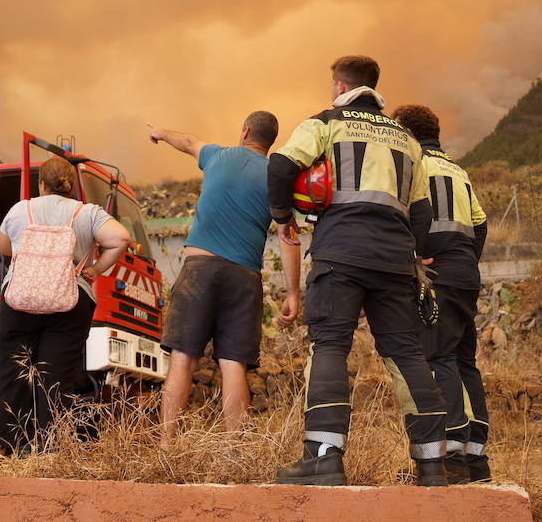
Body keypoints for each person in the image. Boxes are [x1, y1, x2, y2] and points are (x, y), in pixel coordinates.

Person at [267, 55, 449, 487]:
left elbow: (280, 166)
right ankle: (432, 466)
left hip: (341, 254)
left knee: (330, 345)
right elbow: (422, 211)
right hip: (395, 261)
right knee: (406, 353)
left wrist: (282, 216)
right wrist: (415, 253)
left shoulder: (325, 122)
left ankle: (324, 458)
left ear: (338, 86)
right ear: (374, 87)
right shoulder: (408, 140)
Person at [148, 112, 301, 449]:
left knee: (183, 358)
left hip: (199, 270)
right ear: (270, 141)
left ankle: (166, 445)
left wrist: (160, 131)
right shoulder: (276, 176)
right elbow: (289, 236)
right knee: (234, 365)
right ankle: (235, 451)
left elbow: (187, 141)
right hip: (244, 277)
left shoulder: (218, 155)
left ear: (245, 131)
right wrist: (292, 292)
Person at [0, 156, 131, 455]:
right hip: (70, 300)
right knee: (55, 377)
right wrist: (94, 270)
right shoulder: (87, 213)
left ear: (41, 183)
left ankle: (4, 451)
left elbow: (2, 246)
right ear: (71, 185)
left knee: (12, 373)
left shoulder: (21, 209)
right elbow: (121, 238)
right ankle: (50, 451)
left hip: (21, 300)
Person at [392, 103, 491, 483]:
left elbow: (408, 212)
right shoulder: (458, 169)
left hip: (440, 275)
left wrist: (421, 256)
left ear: (407, 132)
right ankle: (476, 456)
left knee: (438, 357)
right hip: (467, 275)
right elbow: (480, 224)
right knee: (465, 362)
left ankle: (451, 455)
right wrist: (465, 258)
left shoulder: (413, 162)